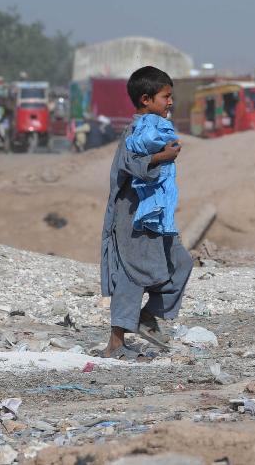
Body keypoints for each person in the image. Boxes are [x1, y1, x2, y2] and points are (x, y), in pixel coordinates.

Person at [100, 66, 193, 361]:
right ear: (145, 99)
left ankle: (148, 317)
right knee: (132, 274)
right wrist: (162, 156)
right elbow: (131, 163)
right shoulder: (136, 129)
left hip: (156, 216)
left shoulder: (155, 126)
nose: (170, 102)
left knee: (180, 262)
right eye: (165, 96)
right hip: (132, 217)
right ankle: (115, 343)